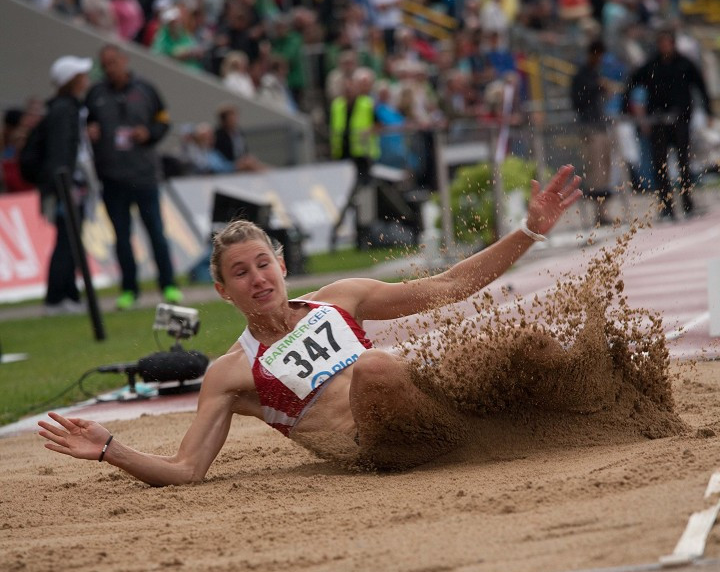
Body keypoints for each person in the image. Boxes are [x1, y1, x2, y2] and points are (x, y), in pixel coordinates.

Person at [38, 166, 582, 483]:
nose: (256, 279)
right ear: (225, 292)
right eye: (240, 274)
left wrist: (529, 232)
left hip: (426, 413)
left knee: (525, 346)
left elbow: (448, 287)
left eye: (262, 264)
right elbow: (187, 469)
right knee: (373, 367)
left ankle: (572, 412)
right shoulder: (230, 373)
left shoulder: (339, 299)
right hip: (372, 448)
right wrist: (111, 449)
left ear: (282, 265)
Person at [85, 44, 182, 309]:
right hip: (112, 177)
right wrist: (90, 131)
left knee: (156, 232)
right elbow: (86, 123)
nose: (110, 69)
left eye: (113, 62)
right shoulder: (95, 94)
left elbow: (164, 121)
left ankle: (169, 285)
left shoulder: (146, 89)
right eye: (105, 65)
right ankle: (129, 290)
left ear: (124, 61)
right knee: (121, 236)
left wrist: (149, 133)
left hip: (144, 174)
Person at [621, 29, 713, 219]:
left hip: (680, 119)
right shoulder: (651, 65)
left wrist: (708, 110)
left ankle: (687, 202)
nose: (664, 46)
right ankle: (666, 205)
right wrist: (626, 108)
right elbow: (631, 81)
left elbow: (700, 86)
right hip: (659, 121)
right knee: (660, 165)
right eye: (661, 42)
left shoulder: (684, 64)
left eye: (667, 42)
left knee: (684, 163)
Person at [40, 56, 94, 314]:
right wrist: (65, 185)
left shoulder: (68, 108)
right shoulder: (65, 110)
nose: (86, 79)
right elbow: (62, 152)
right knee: (66, 241)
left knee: (70, 240)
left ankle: (68, 293)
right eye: (81, 75)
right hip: (67, 188)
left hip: (70, 187)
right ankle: (57, 297)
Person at [571, 40, 613, 226]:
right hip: (590, 127)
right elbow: (577, 100)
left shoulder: (594, 73)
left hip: (600, 125)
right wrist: (597, 87)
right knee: (595, 170)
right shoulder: (582, 75)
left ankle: (603, 211)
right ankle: (598, 212)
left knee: (605, 169)